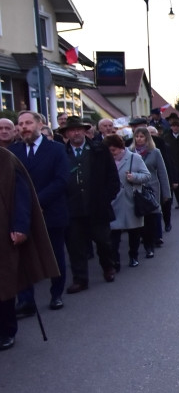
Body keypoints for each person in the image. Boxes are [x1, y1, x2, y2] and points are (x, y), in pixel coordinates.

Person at [11, 110, 71, 314]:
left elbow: (61, 180)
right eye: (20, 124)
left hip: (51, 210)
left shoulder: (55, 149)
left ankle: (56, 294)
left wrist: (37, 201)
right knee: (23, 258)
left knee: (54, 255)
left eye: (28, 123)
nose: (24, 127)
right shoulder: (13, 151)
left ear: (39, 125)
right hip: (22, 214)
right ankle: (26, 300)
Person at [0, 146, 59, 350]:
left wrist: (20, 226)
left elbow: (20, 196)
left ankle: (6, 330)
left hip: (3, 232)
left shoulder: (6, 159)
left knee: (4, 283)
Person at [61, 117, 119, 292]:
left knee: (103, 241)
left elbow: (113, 178)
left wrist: (105, 198)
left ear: (85, 131)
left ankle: (108, 267)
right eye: (72, 130)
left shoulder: (99, 149)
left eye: (79, 129)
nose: (76, 133)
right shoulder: (61, 153)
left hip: (97, 207)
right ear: (66, 134)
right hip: (73, 208)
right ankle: (80, 279)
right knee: (75, 246)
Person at [105, 134, 152, 269]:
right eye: (109, 150)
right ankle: (115, 260)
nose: (111, 153)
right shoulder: (106, 159)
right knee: (114, 233)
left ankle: (133, 256)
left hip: (131, 199)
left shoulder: (134, 158)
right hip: (113, 201)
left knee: (133, 232)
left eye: (113, 150)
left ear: (120, 148)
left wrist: (134, 177)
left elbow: (147, 175)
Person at [129, 127, 170, 258]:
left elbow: (162, 173)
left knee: (151, 219)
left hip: (151, 189)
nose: (139, 139)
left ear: (147, 138)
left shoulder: (155, 152)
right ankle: (140, 244)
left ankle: (149, 246)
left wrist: (166, 193)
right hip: (135, 189)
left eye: (142, 136)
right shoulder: (129, 152)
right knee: (138, 219)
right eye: (137, 136)